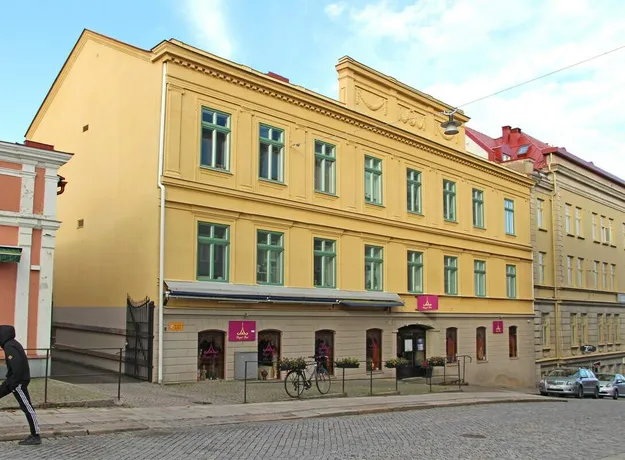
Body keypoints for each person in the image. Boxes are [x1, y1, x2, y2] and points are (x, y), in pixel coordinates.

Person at [0, 325, 41, 445]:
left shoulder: (9, 346)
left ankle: (35, 435)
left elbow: (17, 366)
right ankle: (35, 435)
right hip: (12, 381)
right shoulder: (12, 344)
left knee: (27, 407)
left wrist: (13, 383)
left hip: (17, 383)